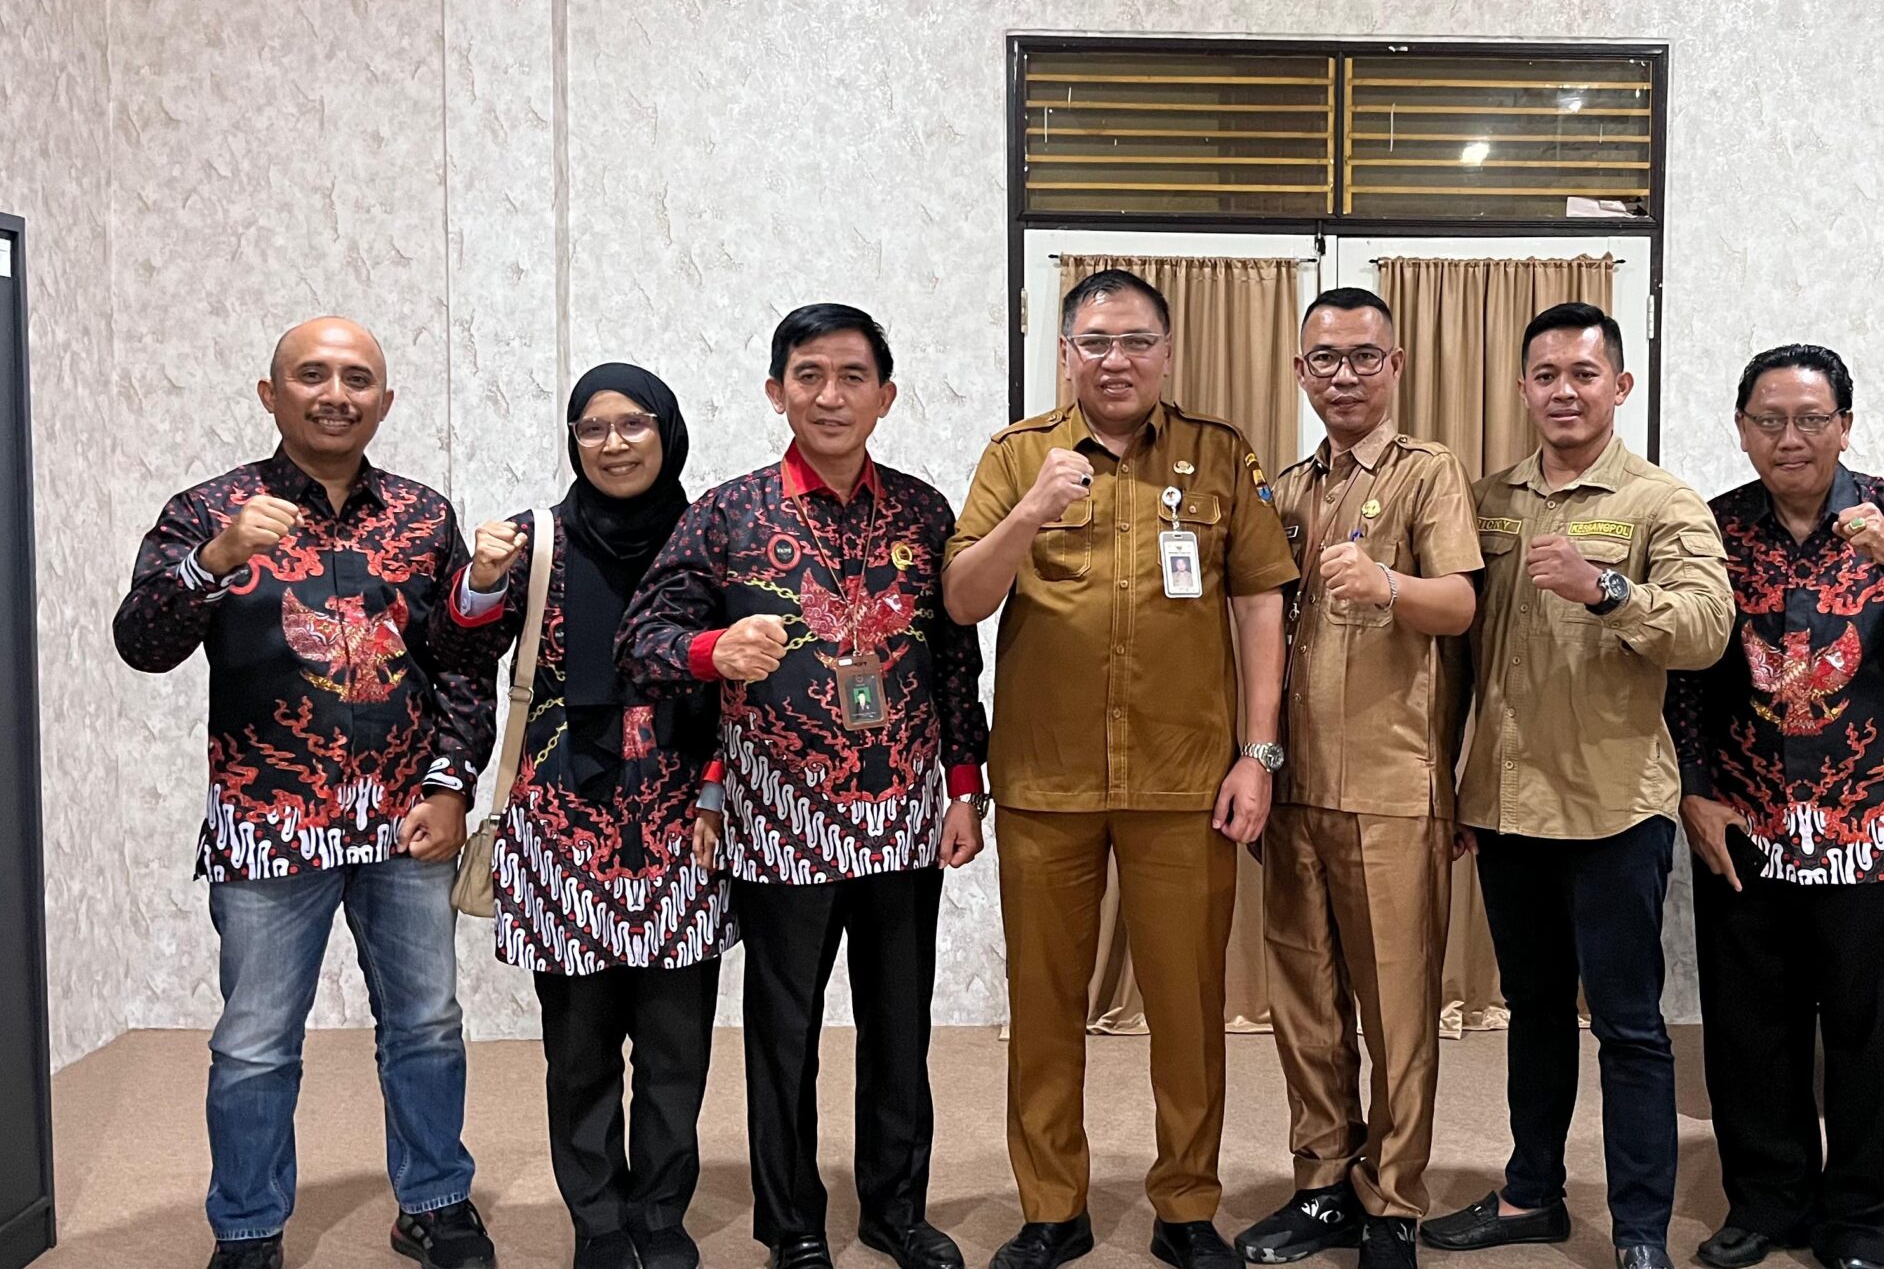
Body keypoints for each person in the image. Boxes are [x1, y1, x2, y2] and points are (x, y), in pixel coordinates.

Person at [112, 318, 499, 1269]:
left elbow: (461, 659)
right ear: (270, 393)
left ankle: (434, 1202)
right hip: (268, 820)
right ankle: (247, 1227)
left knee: (426, 1024)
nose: (336, 395)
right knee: (254, 1041)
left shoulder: (422, 515)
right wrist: (214, 560)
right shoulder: (210, 509)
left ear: (385, 401)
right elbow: (142, 643)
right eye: (313, 375)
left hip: (405, 819)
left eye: (358, 379)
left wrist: (453, 784)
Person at [619, 305, 990, 1269]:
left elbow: (956, 660)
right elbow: (641, 641)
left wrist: (964, 785)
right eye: (810, 375)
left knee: (899, 1025)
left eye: (853, 376)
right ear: (776, 391)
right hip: (779, 814)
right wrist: (712, 649)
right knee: (783, 1032)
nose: (832, 395)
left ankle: (895, 1211)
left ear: (886, 396)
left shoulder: (924, 512)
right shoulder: (729, 513)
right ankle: (791, 1224)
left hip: (904, 811)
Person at [944, 269, 1297, 1269]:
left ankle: (1186, 1206)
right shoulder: (1018, 455)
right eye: (1095, 342)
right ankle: (1051, 1207)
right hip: (1047, 778)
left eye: (1137, 341)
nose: (1116, 360)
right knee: (1044, 1008)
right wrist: (1029, 512)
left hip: (1184, 778)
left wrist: (1258, 753)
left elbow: (1259, 601)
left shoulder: (1220, 454)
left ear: (1167, 353)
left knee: (1186, 1009)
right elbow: (963, 598)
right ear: (1066, 354)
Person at [1668, 345, 1884, 1269]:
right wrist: (1694, 789)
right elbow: (1684, 673)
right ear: (1742, 430)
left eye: (1812, 419)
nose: (1791, 438)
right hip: (1746, 825)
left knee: (1874, 1037)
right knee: (1750, 1032)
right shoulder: (1714, 529)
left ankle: (1860, 1220)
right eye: (1769, 421)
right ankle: (1767, 1205)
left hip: (1874, 827)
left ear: (1845, 427)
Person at [1423, 301, 1733, 1269]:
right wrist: (1450, 782)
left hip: (1613, 808)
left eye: (1584, 374)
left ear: (1620, 386)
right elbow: (1457, 658)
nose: (1564, 390)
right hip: (1507, 806)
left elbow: (1706, 630)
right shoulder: (1487, 499)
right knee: (1535, 1012)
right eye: (1546, 374)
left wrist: (1610, 591)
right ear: (1523, 387)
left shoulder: (1660, 501)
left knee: (1631, 1028)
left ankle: (1639, 1231)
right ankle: (1531, 1196)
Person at [441, 364, 729, 1269]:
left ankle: (661, 1213)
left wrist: (721, 790)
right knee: (579, 1048)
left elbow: (744, 680)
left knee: (677, 1046)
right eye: (592, 428)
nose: (613, 444)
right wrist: (480, 582)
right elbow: (458, 651)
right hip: (561, 826)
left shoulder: (712, 533)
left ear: (666, 432)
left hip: (683, 823)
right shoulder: (534, 540)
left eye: (633, 424)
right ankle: (598, 1218)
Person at [1240, 289, 1481, 1269]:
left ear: (1396, 365)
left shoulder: (1428, 472)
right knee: (1305, 1007)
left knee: (1398, 1015)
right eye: (1326, 359)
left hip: (1392, 788)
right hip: (1293, 785)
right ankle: (1322, 1186)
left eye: (1363, 357)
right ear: (1300, 371)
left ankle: (1393, 1203)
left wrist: (1388, 584)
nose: (1344, 376)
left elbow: (1460, 605)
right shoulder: (1286, 488)